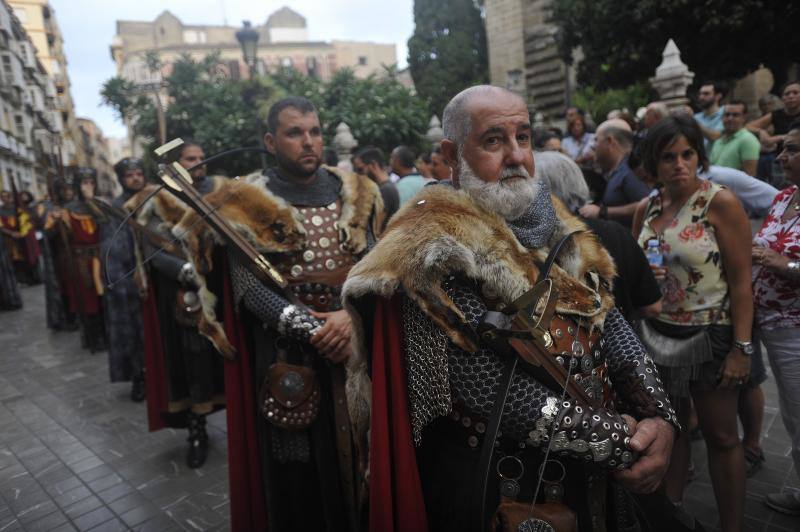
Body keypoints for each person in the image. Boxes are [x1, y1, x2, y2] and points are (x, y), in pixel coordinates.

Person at [343, 85, 678, 532]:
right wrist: (624, 443)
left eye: (523, 137)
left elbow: (608, 320)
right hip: (498, 478)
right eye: (494, 140)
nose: (517, 155)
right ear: (452, 152)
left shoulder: (553, 217)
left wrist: (659, 414)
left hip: (593, 468)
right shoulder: (425, 243)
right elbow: (480, 385)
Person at [225, 96, 384, 532]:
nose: (309, 141)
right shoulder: (247, 201)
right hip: (289, 356)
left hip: (352, 350)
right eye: (295, 133)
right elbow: (249, 288)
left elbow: (374, 267)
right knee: (297, 479)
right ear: (272, 141)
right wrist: (311, 328)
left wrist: (350, 321)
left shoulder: (359, 193)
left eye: (314, 131)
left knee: (362, 465)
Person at [633, 115, 753, 532]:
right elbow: (636, 270)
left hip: (710, 333)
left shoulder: (719, 201)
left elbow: (741, 283)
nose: (679, 164)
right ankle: (674, 516)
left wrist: (741, 348)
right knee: (672, 428)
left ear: (699, 156)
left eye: (688, 154)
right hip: (658, 334)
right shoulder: (646, 207)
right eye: (668, 156)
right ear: (653, 161)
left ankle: (732, 526)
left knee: (721, 437)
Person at [136, 141, 225, 469]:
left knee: (227, 360)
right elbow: (155, 249)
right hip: (184, 295)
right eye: (192, 159)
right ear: (175, 165)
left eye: (202, 158)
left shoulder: (218, 191)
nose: (201, 163)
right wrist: (185, 270)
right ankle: (197, 432)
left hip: (221, 289)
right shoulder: (159, 200)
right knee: (193, 365)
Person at [534, 150, 662, 322]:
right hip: (622, 344)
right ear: (578, 182)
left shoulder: (528, 243)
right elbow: (652, 307)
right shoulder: (615, 233)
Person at [752, 122, 800, 515]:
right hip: (769, 320)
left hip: (795, 326)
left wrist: (782, 263)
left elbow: (780, 257)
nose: (781, 157)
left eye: (792, 150)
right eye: (783, 148)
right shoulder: (785, 196)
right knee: (789, 410)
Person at [101, 158, 147, 401]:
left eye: (139, 173)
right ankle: (139, 377)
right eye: (130, 175)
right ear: (121, 179)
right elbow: (112, 248)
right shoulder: (116, 208)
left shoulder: (154, 198)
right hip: (130, 278)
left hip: (159, 276)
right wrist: (123, 283)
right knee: (134, 333)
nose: (136, 178)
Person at [58, 169, 108, 353]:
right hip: (81, 261)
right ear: (78, 186)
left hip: (102, 257)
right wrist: (57, 223)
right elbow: (57, 236)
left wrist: (91, 201)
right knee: (88, 301)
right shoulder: (68, 210)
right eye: (84, 183)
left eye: (91, 182)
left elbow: (105, 223)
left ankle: (107, 334)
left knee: (105, 298)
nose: (88, 186)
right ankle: (93, 338)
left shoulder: (101, 205)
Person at [579, 119, 652, 227]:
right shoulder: (617, 170)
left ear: (609, 141)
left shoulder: (630, 171)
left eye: (596, 140)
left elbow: (649, 204)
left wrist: (602, 212)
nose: (593, 146)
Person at [0, 189, 41, 285]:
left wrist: (23, 232)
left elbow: (27, 220)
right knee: (16, 260)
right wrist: (11, 233)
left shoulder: (18, 208)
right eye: (3, 197)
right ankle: (22, 279)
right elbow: (0, 227)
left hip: (23, 236)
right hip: (9, 239)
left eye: (7, 196)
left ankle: (35, 278)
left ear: (10, 197)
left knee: (29, 256)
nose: (5, 198)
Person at [709, 100, 760, 176]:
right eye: (727, 114)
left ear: (744, 118)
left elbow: (750, 176)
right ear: (722, 117)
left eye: (735, 115)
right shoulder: (718, 141)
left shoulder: (748, 140)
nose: (730, 118)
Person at [353, 146, 399, 224]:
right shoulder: (385, 187)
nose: (359, 175)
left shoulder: (385, 190)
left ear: (373, 165)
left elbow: (376, 227)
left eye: (360, 170)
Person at [694, 82, 727, 151]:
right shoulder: (696, 117)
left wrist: (693, 121)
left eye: (706, 94)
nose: (701, 97)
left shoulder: (727, 114)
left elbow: (715, 137)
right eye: (700, 94)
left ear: (718, 96)